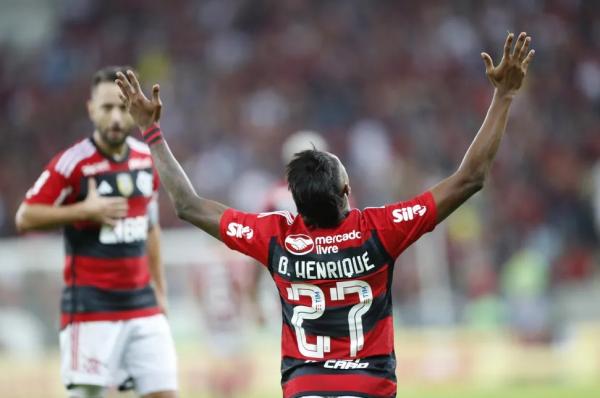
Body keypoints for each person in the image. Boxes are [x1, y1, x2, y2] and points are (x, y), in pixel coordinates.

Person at [116, 32, 534, 398]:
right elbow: (469, 179)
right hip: (369, 386)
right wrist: (504, 96)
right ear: (347, 190)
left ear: (294, 203)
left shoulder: (275, 236)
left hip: (304, 387)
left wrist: (151, 133)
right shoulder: (380, 230)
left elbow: (189, 204)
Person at [15, 66, 178, 398]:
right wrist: (83, 211)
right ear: (91, 109)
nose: (116, 117)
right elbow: (25, 216)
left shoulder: (146, 160)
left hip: (142, 306)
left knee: (165, 392)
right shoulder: (73, 163)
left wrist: (160, 291)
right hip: (90, 311)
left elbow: (150, 228)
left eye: (122, 107)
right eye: (107, 108)